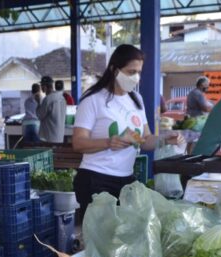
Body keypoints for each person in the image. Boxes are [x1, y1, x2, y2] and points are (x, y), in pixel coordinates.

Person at [71, 44, 184, 218]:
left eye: (139, 72)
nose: (136, 77)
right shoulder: (92, 100)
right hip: (96, 179)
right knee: (103, 240)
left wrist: (164, 139)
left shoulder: (136, 99)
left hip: (126, 179)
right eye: (131, 72)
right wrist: (108, 142)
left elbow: (144, 139)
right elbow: (78, 143)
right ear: (114, 69)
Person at [37, 76, 68, 144]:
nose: (41, 88)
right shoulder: (62, 98)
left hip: (48, 138)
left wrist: (38, 103)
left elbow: (40, 115)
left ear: (45, 87)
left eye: (41, 85)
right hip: (59, 137)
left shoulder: (47, 99)